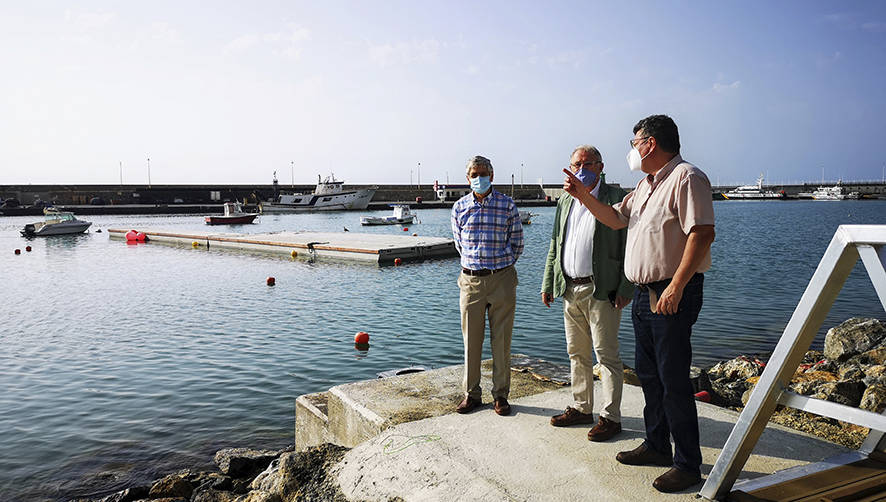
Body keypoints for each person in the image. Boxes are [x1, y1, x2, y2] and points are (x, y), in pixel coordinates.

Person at [562, 115, 715, 493]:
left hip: (671, 293)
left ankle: (687, 464)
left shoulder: (686, 177)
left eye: (635, 143)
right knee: (649, 376)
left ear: (650, 143)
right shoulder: (645, 185)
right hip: (645, 296)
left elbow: (702, 233)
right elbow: (614, 219)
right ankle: (658, 444)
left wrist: (676, 286)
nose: (631, 150)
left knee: (674, 380)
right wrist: (583, 197)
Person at [541, 145, 633, 442]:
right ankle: (582, 407)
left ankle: (611, 417)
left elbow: (630, 245)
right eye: (575, 163)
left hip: (602, 289)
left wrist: (626, 286)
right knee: (576, 353)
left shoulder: (615, 199)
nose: (580, 168)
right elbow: (556, 243)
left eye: (586, 163)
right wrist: (548, 282)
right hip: (569, 286)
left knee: (606, 355)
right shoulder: (566, 201)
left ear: (600, 166)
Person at [451, 155, 524, 416]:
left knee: (501, 341)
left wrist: (500, 266)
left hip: (502, 278)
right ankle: (471, 394)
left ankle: (501, 395)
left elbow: (517, 243)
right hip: (470, 280)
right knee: (471, 340)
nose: (479, 178)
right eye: (474, 174)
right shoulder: (459, 207)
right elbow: (459, 244)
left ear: (492, 176)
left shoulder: (507, 205)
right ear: (467, 177)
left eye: (483, 173)